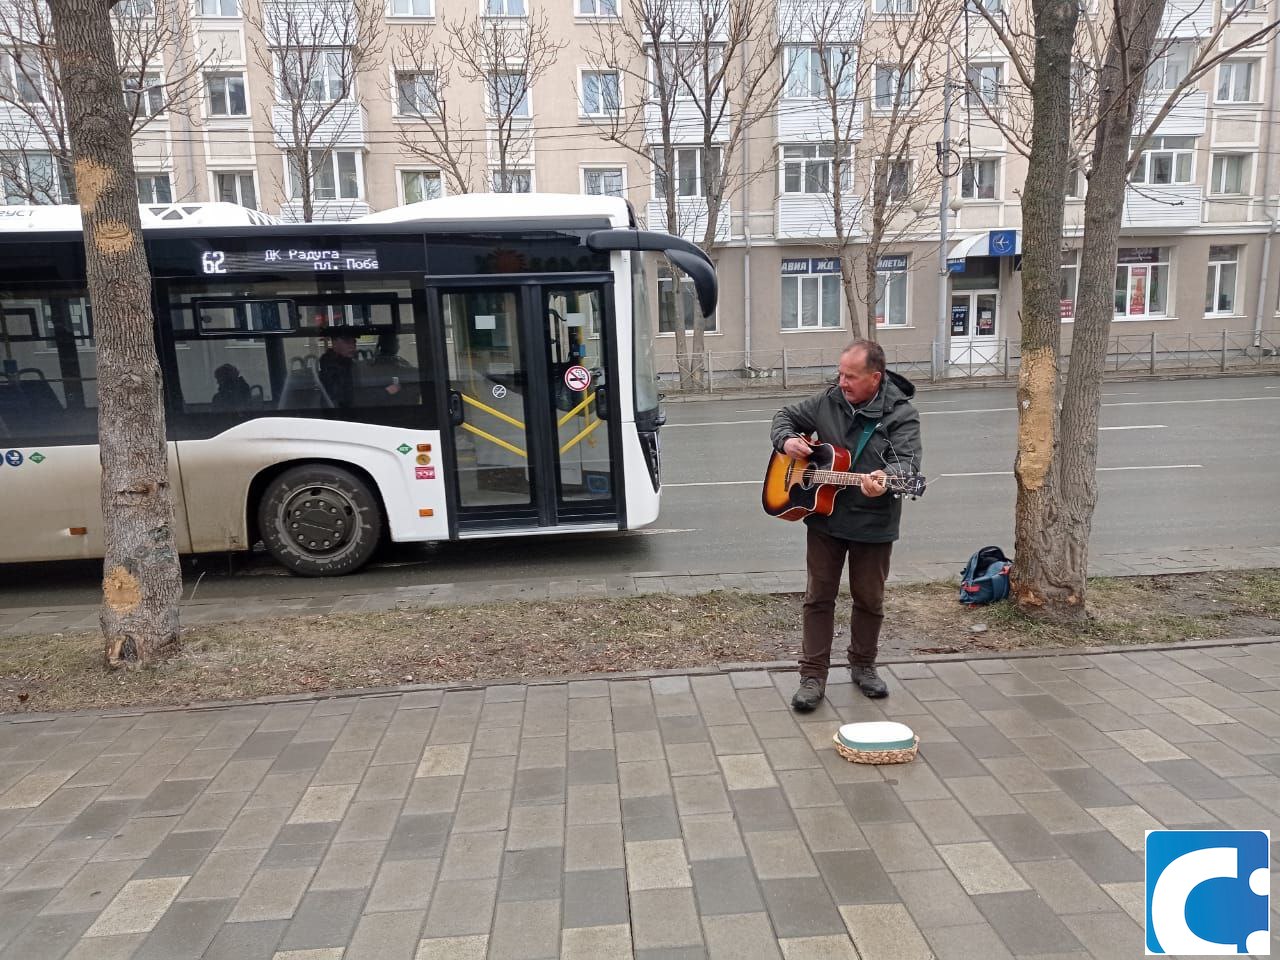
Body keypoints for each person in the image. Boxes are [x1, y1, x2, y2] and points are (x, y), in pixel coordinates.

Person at [770, 339, 922, 710]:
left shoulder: (901, 415)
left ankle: (864, 666)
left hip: (874, 522)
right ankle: (812, 675)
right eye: (840, 374)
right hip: (824, 519)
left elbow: (907, 468)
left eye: (850, 376)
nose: (842, 382)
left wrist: (884, 480)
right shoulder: (828, 401)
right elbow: (784, 417)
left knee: (869, 599)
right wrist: (787, 440)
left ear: (876, 377)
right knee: (818, 597)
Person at [319, 332, 402, 408]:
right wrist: (385, 392)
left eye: (354, 342)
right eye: (347, 341)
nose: (352, 346)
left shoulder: (346, 364)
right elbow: (352, 399)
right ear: (334, 343)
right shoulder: (333, 368)